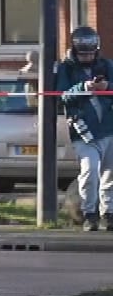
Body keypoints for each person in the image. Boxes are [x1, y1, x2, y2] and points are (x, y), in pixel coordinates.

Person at [56, 26, 113, 231]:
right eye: (83, 53)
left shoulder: (107, 65)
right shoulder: (66, 69)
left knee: (110, 175)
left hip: (108, 127)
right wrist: (84, 88)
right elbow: (61, 95)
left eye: (91, 53)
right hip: (83, 130)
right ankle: (90, 213)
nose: (87, 57)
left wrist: (106, 87)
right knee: (89, 172)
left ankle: (109, 213)